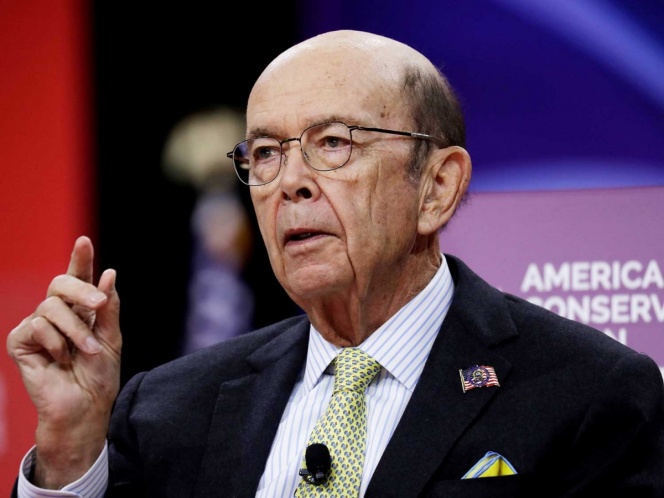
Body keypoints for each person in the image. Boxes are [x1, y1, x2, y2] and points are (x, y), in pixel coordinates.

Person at [7, 29, 664, 498]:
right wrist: (70, 447)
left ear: (437, 188)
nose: (290, 182)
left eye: (333, 143)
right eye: (266, 153)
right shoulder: (166, 410)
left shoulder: (589, 395)